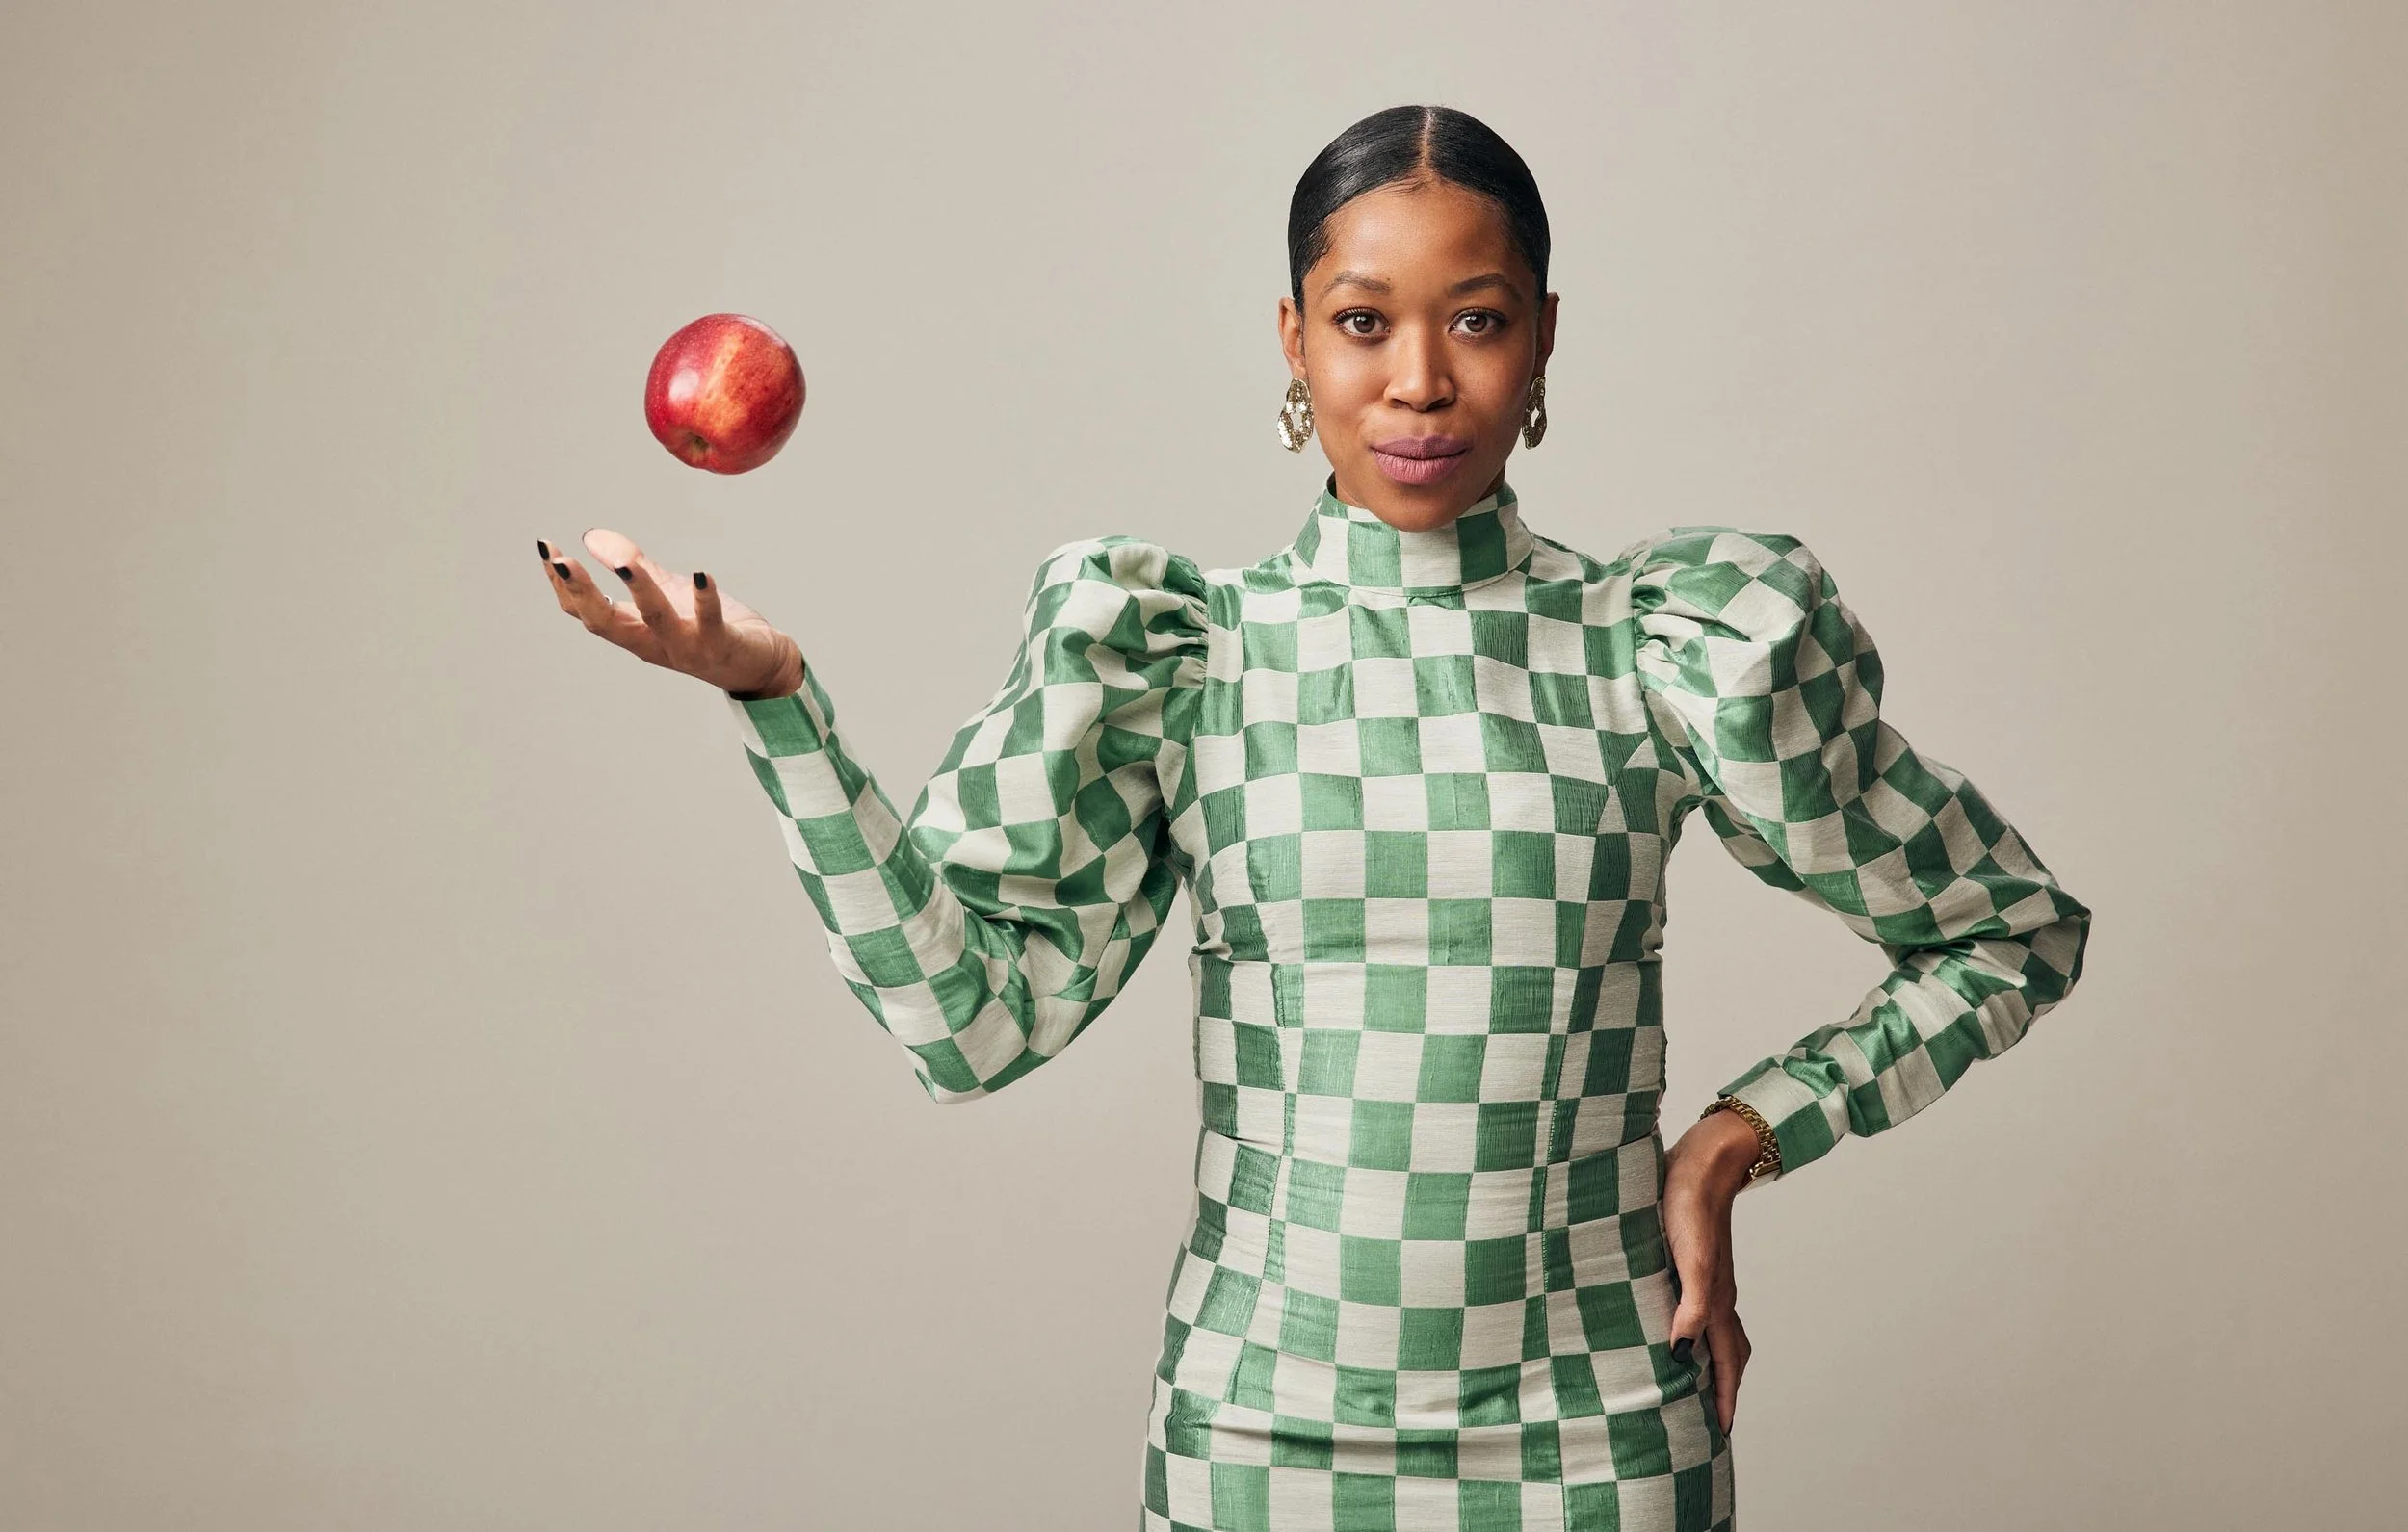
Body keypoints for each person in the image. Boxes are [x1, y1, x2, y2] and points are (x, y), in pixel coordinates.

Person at [537, 103, 2091, 1532]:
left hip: (1605, 1435)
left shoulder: (1662, 644)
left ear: (1544, 342)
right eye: (1362, 324)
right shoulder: (1182, 653)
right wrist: (779, 699)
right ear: (1293, 342)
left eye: (1476, 322)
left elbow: (2010, 934)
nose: (1419, 381)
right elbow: (967, 1021)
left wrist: (1740, 1140)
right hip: (1255, 1440)